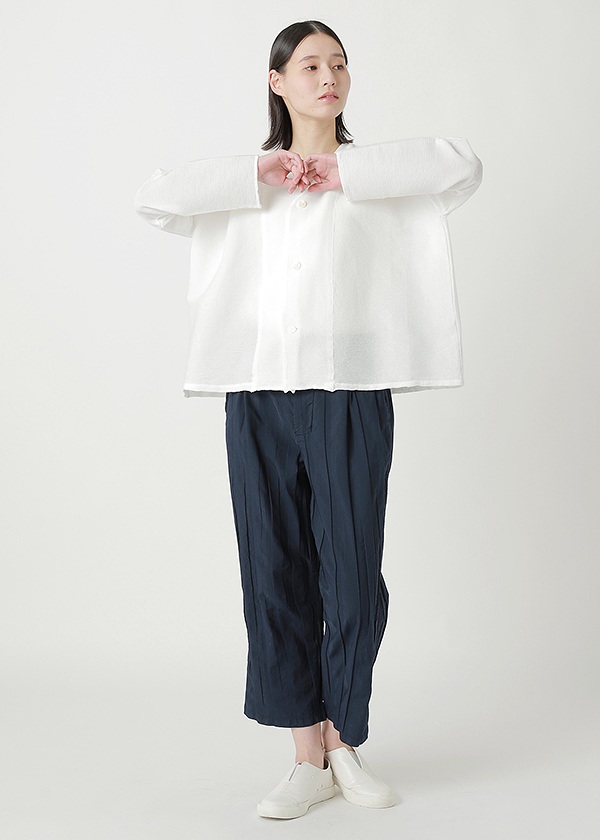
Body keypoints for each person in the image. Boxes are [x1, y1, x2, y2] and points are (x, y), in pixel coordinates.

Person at [134, 19, 482, 821]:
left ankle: (345, 742)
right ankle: (304, 755)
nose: (328, 77)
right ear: (277, 81)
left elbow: (462, 165)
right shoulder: (246, 182)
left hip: (349, 391)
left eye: (339, 65)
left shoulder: (377, 177)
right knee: (273, 571)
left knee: (352, 572)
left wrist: (341, 174)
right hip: (256, 391)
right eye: (310, 65)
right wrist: (257, 172)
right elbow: (154, 197)